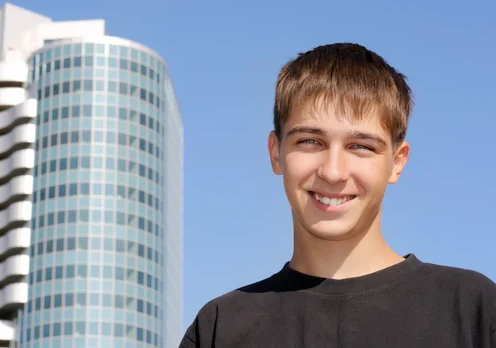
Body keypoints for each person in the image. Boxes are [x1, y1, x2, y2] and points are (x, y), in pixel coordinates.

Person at [179, 43, 496, 347]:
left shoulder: (472, 310)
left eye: (361, 146)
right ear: (276, 153)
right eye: (310, 141)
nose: (333, 172)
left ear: (397, 163)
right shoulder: (220, 327)